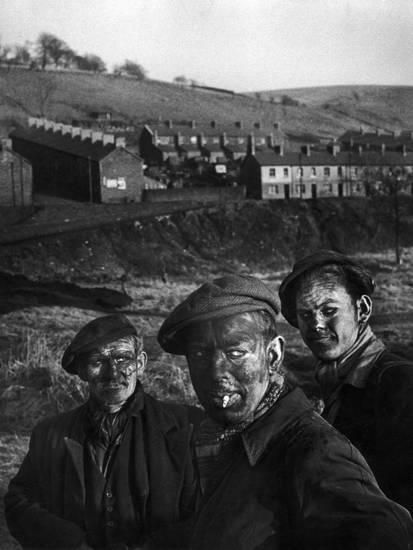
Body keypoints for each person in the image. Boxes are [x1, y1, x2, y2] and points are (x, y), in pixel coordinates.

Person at [157, 274, 413, 550]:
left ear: (274, 356)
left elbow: (389, 535)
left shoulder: (315, 450)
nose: (216, 372)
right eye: (199, 355)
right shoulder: (217, 438)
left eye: (236, 353)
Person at [5, 314, 203, 550]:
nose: (112, 373)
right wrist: (70, 543)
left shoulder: (186, 427)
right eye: (97, 361)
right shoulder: (51, 434)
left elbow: (211, 511)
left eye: (122, 359)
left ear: (140, 363)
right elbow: (19, 502)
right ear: (81, 371)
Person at [279, 249, 413, 515]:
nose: (316, 324)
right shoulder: (330, 383)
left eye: (329, 310)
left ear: (362, 309)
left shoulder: (401, 383)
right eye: (305, 315)